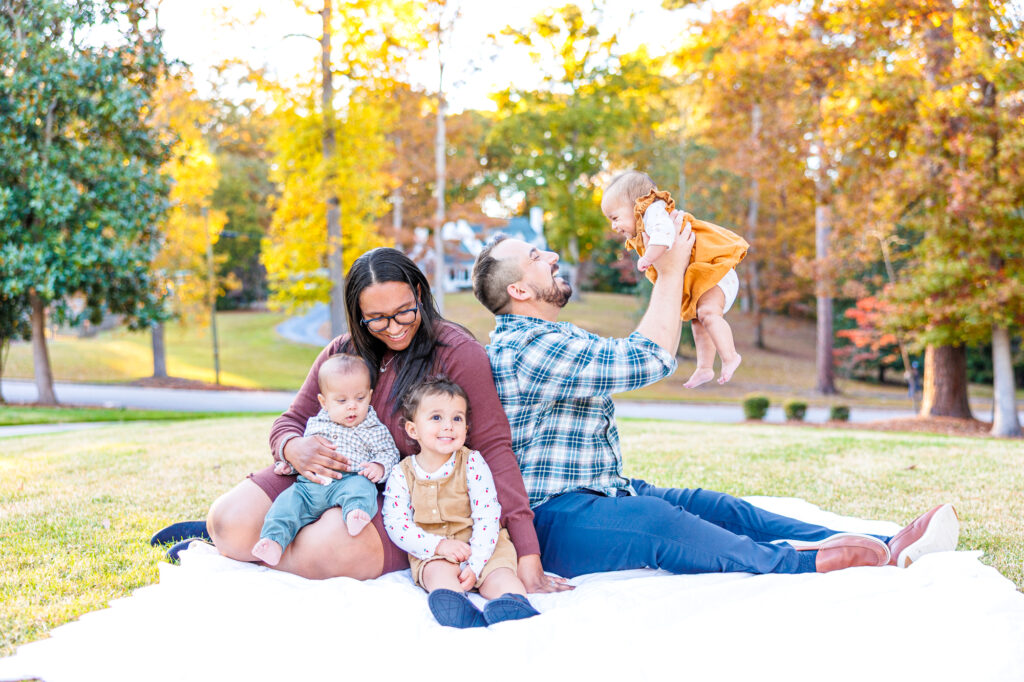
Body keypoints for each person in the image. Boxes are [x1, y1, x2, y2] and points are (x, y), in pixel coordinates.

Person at [470, 229, 960, 579]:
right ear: (519, 289)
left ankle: (881, 543)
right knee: (660, 523)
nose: (552, 256)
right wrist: (670, 271)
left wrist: (689, 286)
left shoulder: (553, 336)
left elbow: (643, 348)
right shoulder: (526, 348)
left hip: (601, 490)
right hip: (551, 518)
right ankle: (805, 563)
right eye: (536, 256)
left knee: (717, 507)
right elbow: (647, 358)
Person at [194, 247, 569, 591]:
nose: (393, 327)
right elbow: (291, 420)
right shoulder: (344, 352)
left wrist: (528, 553)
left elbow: (495, 449)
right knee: (227, 523)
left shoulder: (457, 353)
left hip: (399, 497)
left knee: (326, 547)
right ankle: (261, 539)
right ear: (358, 314)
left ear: (419, 293)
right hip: (318, 479)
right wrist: (293, 448)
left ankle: (269, 547)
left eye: (404, 311)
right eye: (376, 319)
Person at [382, 376, 540, 628]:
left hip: (484, 544)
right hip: (434, 550)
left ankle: (512, 602)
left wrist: (476, 565)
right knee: (436, 573)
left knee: (500, 573)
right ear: (413, 430)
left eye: (457, 418)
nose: (448, 426)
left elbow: (487, 515)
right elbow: (396, 524)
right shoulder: (402, 473)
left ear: (466, 429)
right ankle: (456, 605)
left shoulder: (472, 462)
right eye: (436, 417)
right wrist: (438, 546)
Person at [601, 170, 749, 387]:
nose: (614, 226)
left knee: (708, 313)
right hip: (703, 275)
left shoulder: (653, 212)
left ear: (635, 204)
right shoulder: (645, 221)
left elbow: (664, 236)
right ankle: (705, 368)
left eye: (615, 218)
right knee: (699, 320)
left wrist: (648, 258)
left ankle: (730, 357)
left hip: (715, 272)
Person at [251, 353, 399, 566]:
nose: (352, 406)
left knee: (363, 487)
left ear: (370, 395)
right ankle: (273, 541)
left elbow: (389, 453)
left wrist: (379, 466)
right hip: (310, 487)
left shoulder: (373, 427)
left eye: (360, 398)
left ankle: (356, 513)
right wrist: (289, 465)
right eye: (342, 400)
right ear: (324, 402)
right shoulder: (316, 424)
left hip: (350, 480)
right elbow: (306, 456)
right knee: (286, 504)